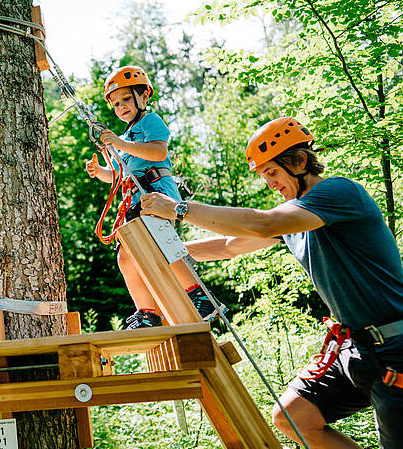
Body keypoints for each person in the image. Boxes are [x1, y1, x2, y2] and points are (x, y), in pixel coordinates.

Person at [139, 116, 403, 448]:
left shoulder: (339, 193)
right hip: (355, 347)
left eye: (273, 173)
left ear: (300, 162)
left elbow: (263, 224)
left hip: (394, 347)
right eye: (264, 177)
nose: (270, 184)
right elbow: (228, 246)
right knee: (293, 415)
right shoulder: (295, 215)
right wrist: (160, 253)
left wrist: (178, 208)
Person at [85, 66, 216, 329]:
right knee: (125, 254)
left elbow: (157, 153)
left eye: (126, 99)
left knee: (159, 240)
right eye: (116, 103)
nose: (121, 107)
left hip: (157, 194)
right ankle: (147, 313)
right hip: (135, 200)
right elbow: (120, 174)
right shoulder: (124, 138)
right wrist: (100, 171)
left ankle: (199, 296)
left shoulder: (150, 121)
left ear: (143, 97)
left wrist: (120, 145)